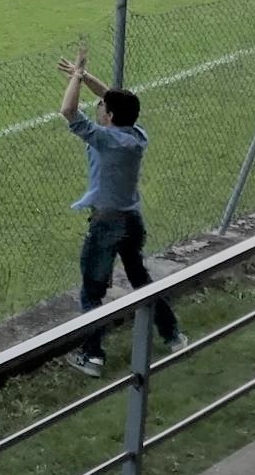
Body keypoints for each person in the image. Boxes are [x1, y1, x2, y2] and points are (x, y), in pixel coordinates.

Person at [57, 46, 186, 377]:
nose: (98, 107)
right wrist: (85, 76)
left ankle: (93, 356)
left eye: (102, 107)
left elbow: (68, 110)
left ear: (110, 116)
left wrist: (74, 78)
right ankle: (173, 335)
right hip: (132, 220)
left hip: (106, 224)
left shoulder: (104, 139)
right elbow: (114, 98)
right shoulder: (136, 135)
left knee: (91, 291)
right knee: (141, 280)